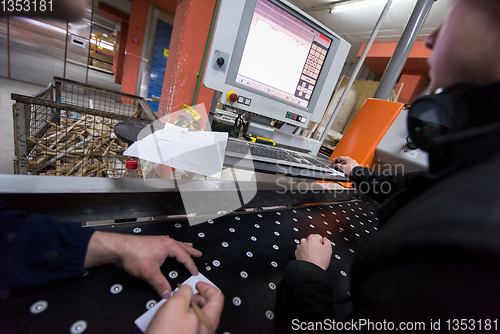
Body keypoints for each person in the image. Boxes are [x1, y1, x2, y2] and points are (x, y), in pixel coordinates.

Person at [277, 0, 500, 332]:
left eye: (454, 12)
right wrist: (357, 173)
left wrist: (308, 274)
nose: (431, 39)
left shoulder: (471, 246)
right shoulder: (480, 171)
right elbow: (421, 188)